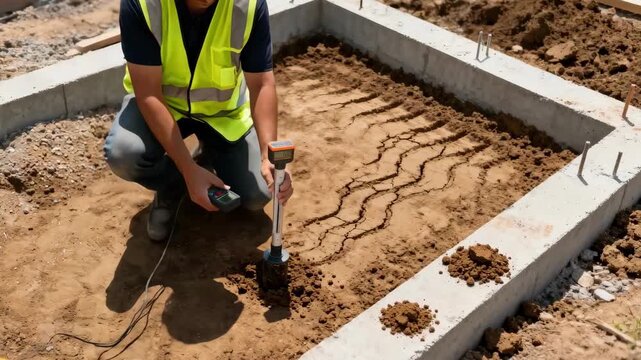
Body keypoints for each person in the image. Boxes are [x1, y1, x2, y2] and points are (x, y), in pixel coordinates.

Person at [103, 0, 293, 241]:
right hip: (163, 107)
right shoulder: (144, 4)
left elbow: (261, 83)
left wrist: (269, 155)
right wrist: (188, 171)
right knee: (124, 155)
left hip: (222, 114)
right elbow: (148, 93)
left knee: (259, 194)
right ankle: (172, 186)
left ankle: (210, 154)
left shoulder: (248, 6)